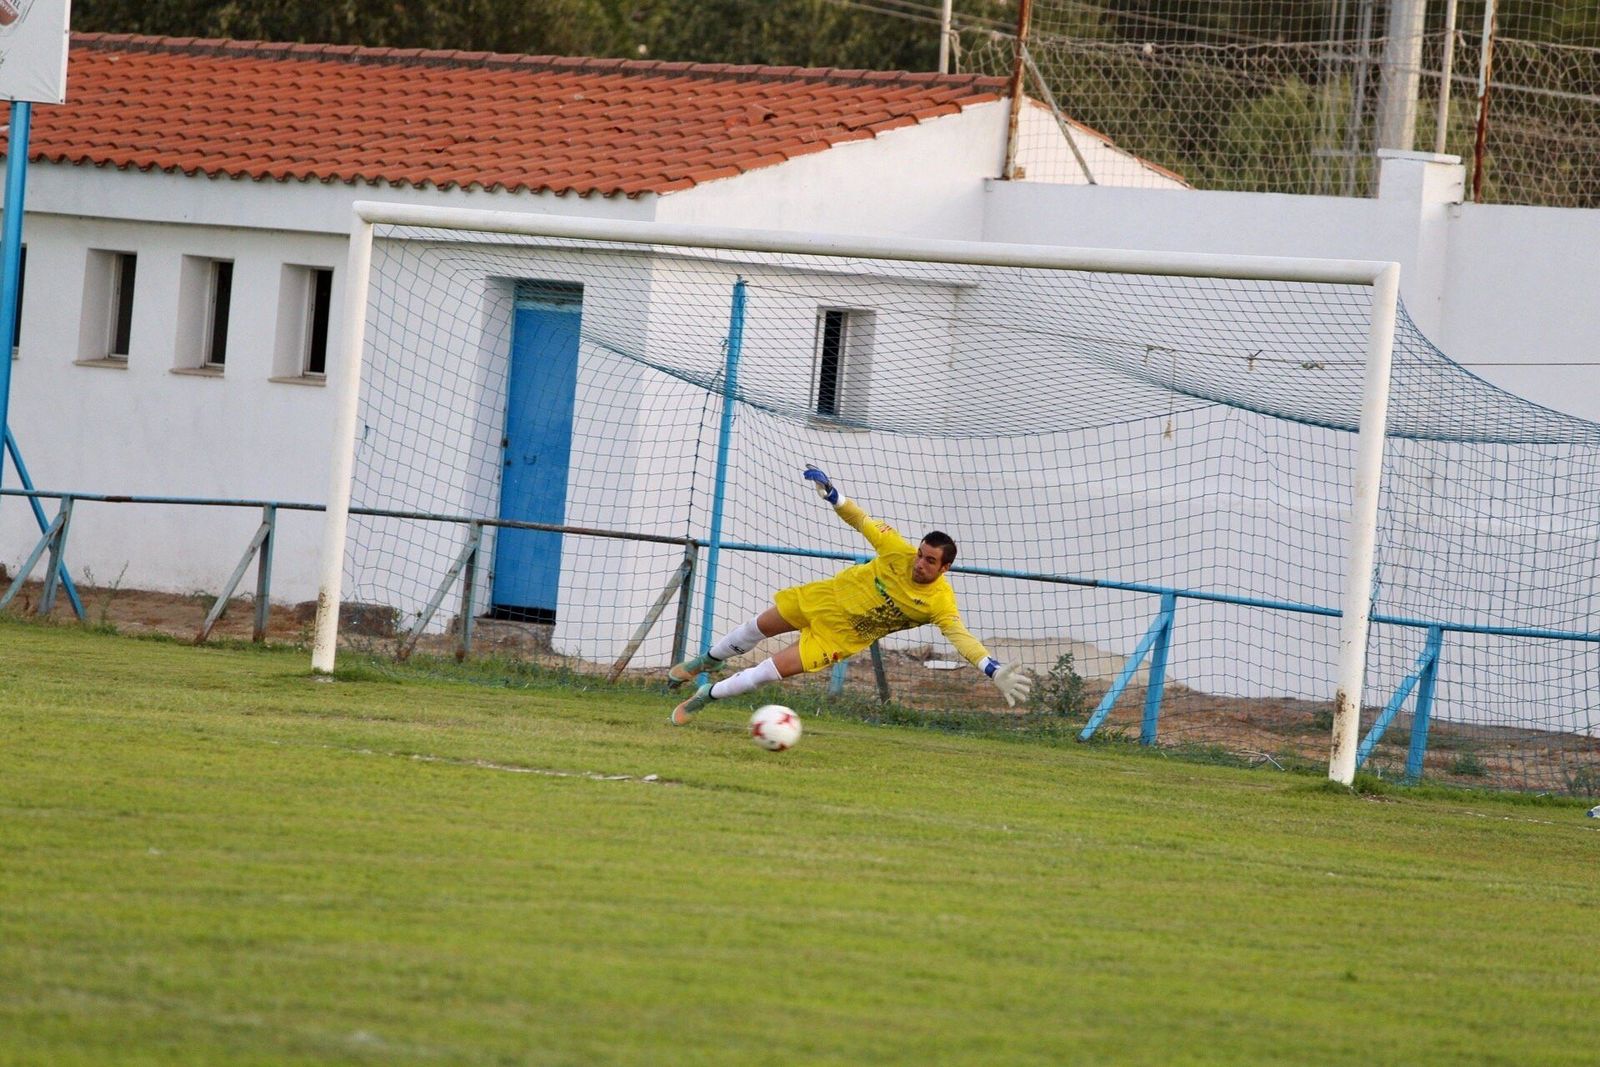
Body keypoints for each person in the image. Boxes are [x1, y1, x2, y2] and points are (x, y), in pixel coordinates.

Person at [666, 464, 1032, 725]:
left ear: (944, 568)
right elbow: (862, 520)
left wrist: (992, 668)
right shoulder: (896, 551)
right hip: (822, 599)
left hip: (840, 637)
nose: (920, 563)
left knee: (765, 673)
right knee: (753, 629)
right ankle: (708, 661)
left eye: (930, 560)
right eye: (921, 554)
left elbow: (961, 638)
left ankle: (703, 697)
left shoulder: (939, 602)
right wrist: (833, 495)